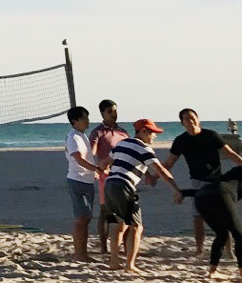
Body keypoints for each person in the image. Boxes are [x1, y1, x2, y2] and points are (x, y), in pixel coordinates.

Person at [163, 108, 242, 282]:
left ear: (198, 119)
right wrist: (154, 174)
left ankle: (228, 250)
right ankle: (199, 248)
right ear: (182, 123)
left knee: (226, 218)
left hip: (218, 181)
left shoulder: (211, 135)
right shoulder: (181, 140)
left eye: (193, 118)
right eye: (186, 120)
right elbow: (169, 162)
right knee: (198, 217)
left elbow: (231, 154)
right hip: (197, 180)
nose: (190, 122)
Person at [102, 118, 179, 273]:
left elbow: (104, 163)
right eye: (153, 133)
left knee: (117, 224)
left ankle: (114, 262)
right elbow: (161, 170)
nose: (155, 137)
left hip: (109, 184)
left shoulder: (121, 144)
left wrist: (144, 175)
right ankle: (130, 265)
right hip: (124, 186)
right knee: (136, 226)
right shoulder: (144, 149)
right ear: (143, 131)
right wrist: (175, 189)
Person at [86, 100, 128, 255]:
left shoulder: (123, 132)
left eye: (115, 111)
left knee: (123, 212)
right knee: (106, 211)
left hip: (124, 176)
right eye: (110, 111)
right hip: (107, 177)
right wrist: (97, 168)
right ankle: (104, 247)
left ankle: (122, 245)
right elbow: (91, 152)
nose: (114, 114)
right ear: (102, 113)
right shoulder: (97, 132)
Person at [63, 105, 102, 262]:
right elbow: (78, 158)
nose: (88, 121)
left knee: (86, 217)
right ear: (75, 121)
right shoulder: (73, 137)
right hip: (77, 180)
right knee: (81, 218)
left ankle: (83, 253)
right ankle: (80, 255)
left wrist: (94, 171)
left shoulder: (81, 135)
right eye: (84, 119)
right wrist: (96, 169)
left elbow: (87, 155)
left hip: (86, 180)